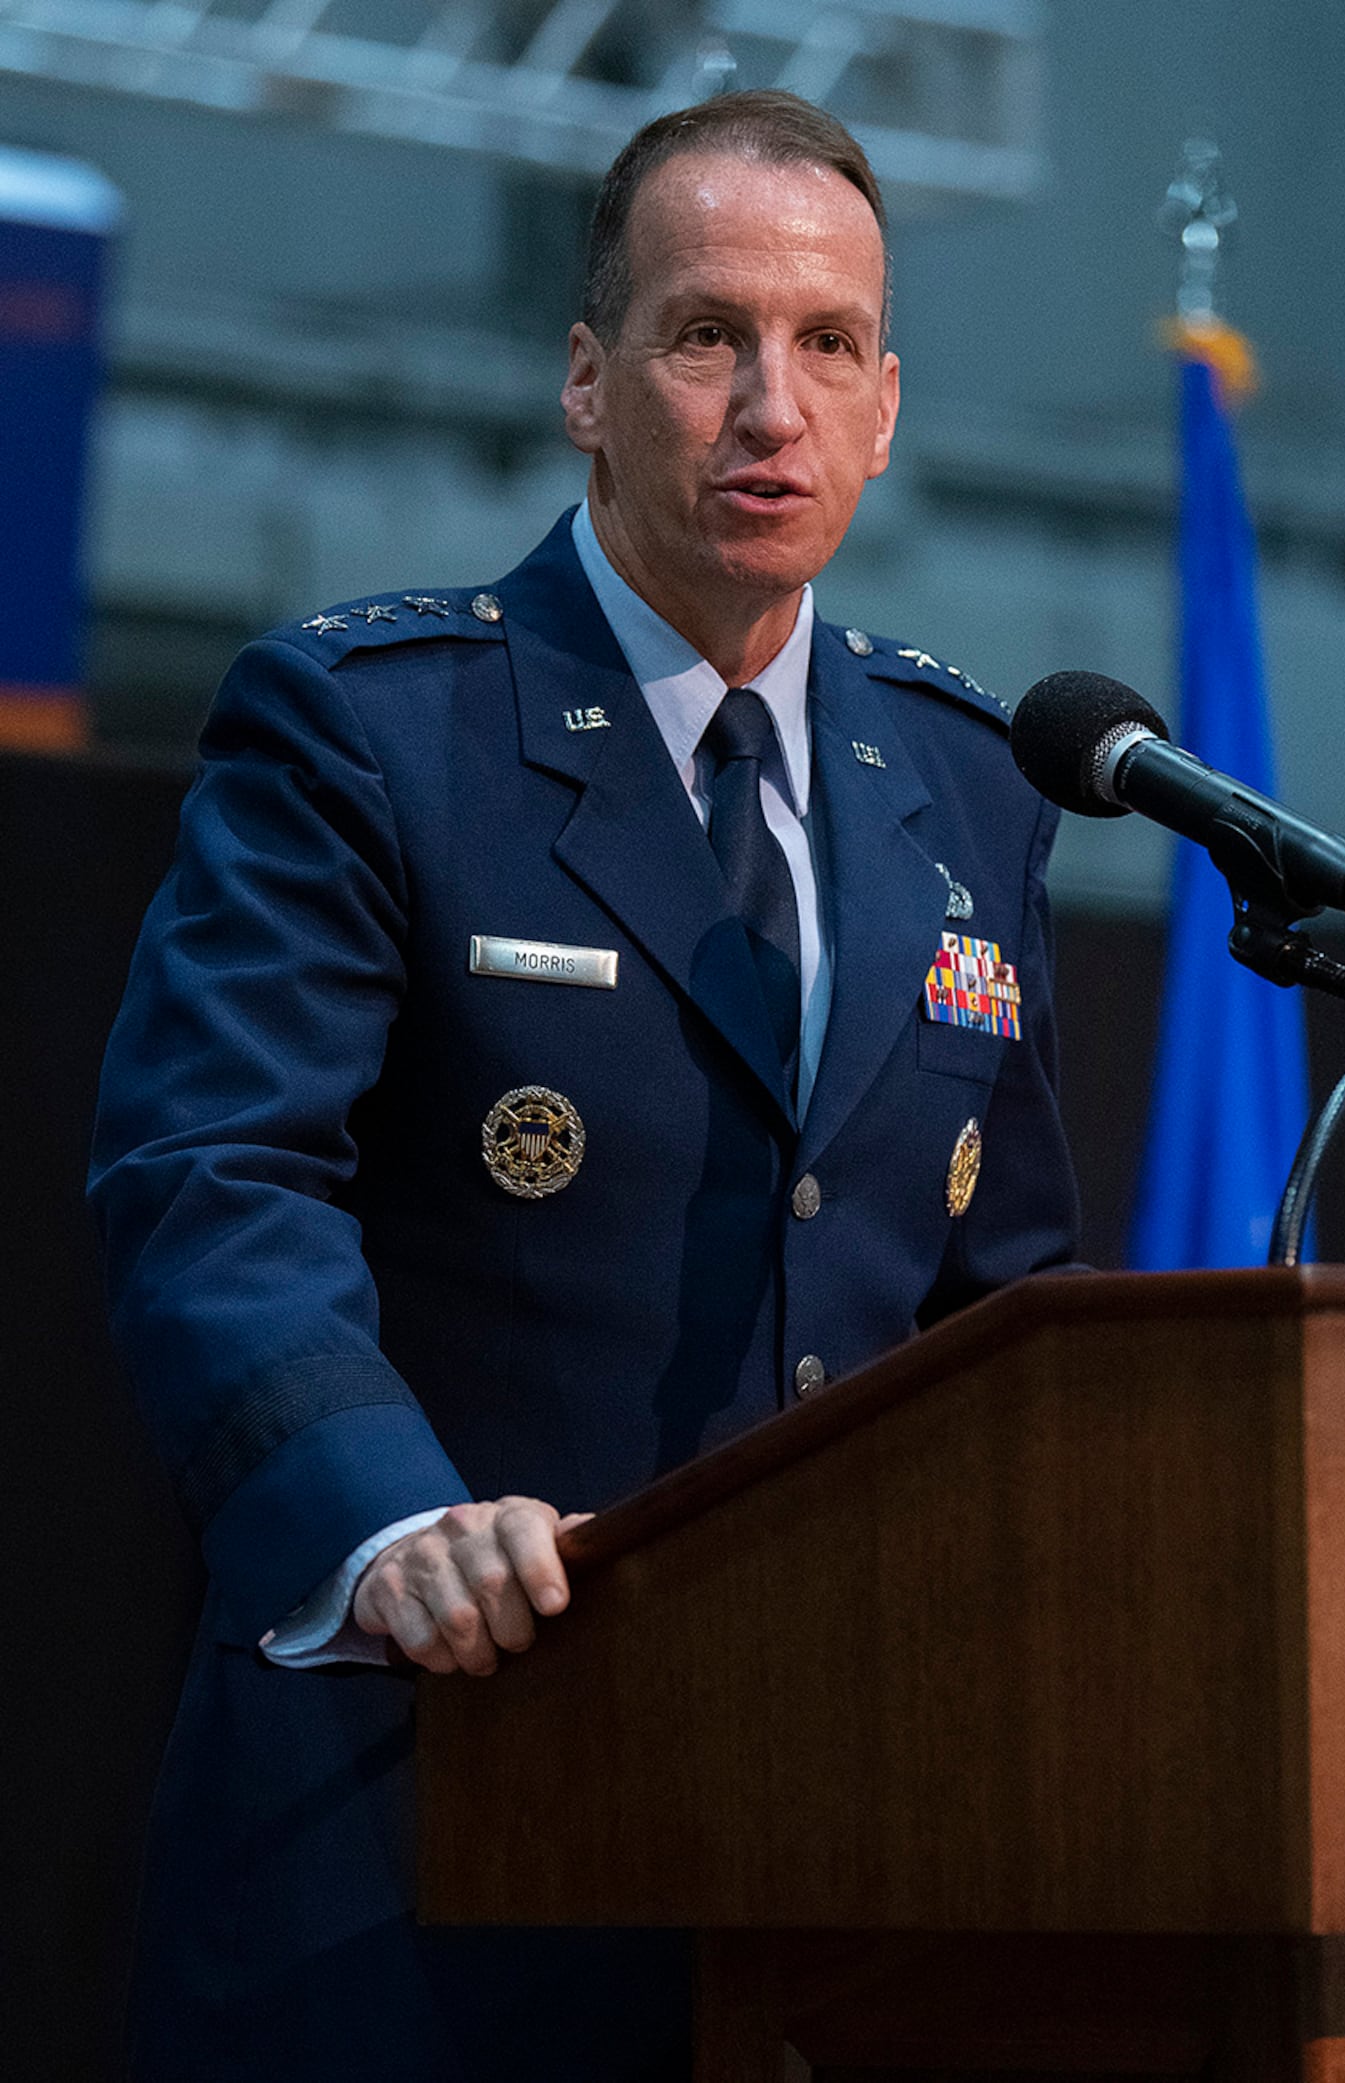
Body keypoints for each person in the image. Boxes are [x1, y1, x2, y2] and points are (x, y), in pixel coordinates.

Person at [89, 89, 1082, 2082]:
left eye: (825, 348)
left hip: (827, 1865)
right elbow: (214, 1177)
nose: (766, 408)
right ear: (585, 376)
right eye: (706, 333)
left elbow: (1004, 1311)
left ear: (887, 407)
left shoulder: (967, 780)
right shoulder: (375, 731)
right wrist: (388, 1529)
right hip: (423, 1807)